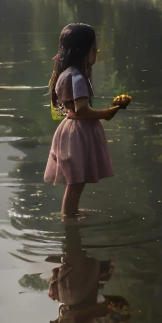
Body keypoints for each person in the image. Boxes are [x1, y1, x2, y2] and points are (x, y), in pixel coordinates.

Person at [43, 22, 130, 218]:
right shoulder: (77, 77)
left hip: (69, 128)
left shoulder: (64, 74)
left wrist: (110, 110)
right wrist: (110, 111)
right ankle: (69, 220)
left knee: (75, 182)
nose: (96, 52)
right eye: (94, 47)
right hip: (78, 132)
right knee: (76, 183)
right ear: (87, 50)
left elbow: (76, 109)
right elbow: (82, 111)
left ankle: (70, 215)